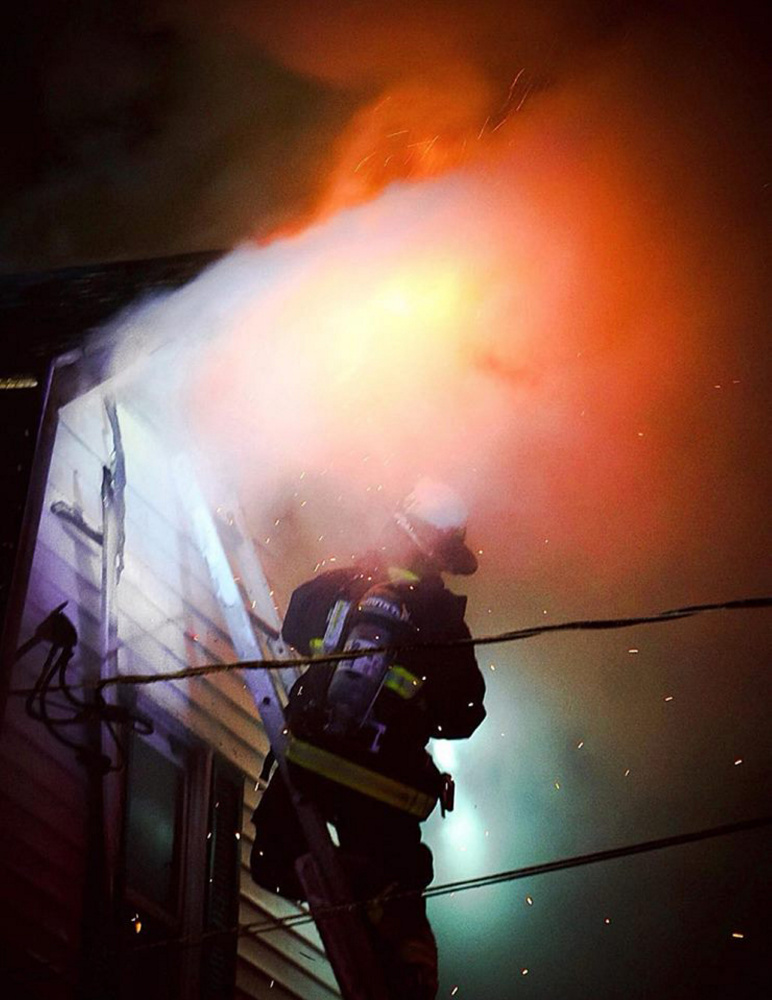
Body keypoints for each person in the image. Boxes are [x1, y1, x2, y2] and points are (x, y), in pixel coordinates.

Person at [251, 479, 486, 999]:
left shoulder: (343, 585)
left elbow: (294, 623)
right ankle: (383, 916)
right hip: (386, 788)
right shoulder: (443, 619)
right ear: (444, 553)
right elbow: (466, 713)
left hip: (313, 759)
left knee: (271, 859)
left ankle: (354, 887)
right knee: (401, 902)